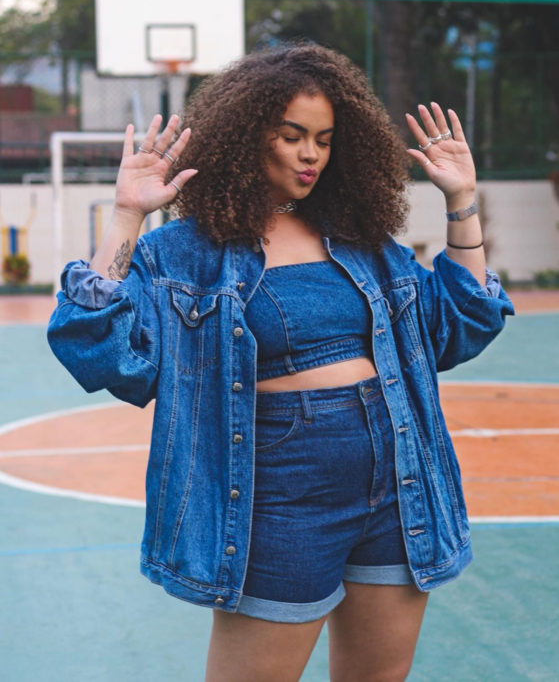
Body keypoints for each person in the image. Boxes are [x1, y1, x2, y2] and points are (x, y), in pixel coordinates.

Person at [48, 43, 514, 681]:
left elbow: (461, 323)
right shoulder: (185, 255)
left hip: (398, 481)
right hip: (278, 493)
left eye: (323, 139)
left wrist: (461, 200)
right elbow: (96, 347)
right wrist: (129, 213)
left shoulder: (363, 243)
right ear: (245, 137)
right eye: (291, 136)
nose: (310, 155)